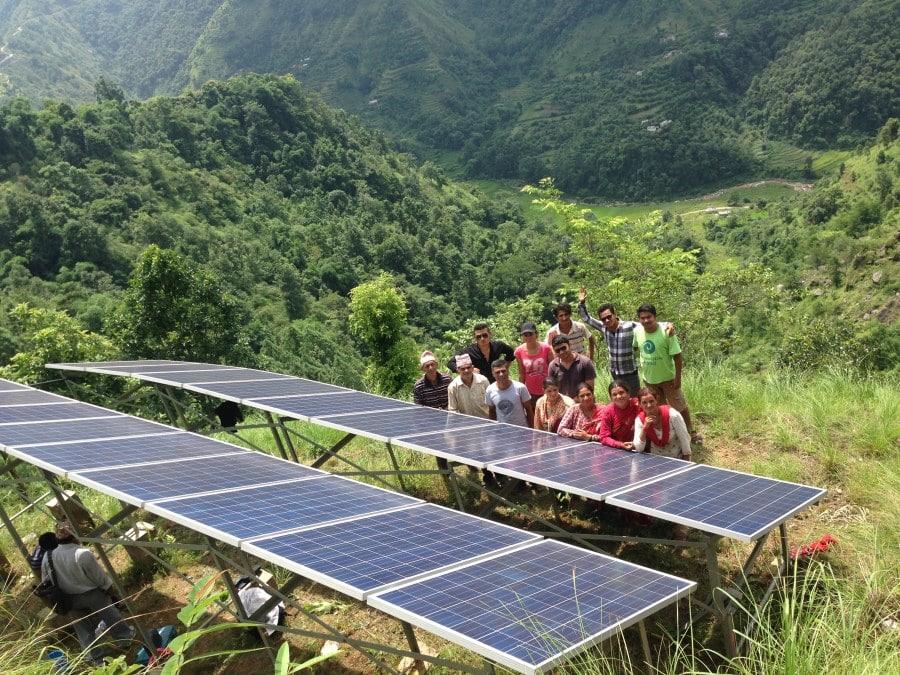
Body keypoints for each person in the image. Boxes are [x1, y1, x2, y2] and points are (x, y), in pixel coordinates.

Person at [41, 521, 134, 665]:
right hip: (93, 594)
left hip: (68, 600)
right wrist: (110, 590)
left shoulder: (48, 558)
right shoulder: (82, 554)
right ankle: (125, 638)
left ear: (57, 538)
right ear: (75, 537)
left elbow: (46, 581)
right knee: (111, 616)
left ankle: (96, 659)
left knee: (84, 630)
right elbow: (99, 577)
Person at [577, 286, 674, 396]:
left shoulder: (629, 326)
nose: (607, 320)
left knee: (635, 399)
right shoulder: (603, 327)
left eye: (609, 317)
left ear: (615, 315)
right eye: (603, 319)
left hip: (630, 372)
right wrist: (581, 302)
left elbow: (648, 323)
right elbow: (587, 318)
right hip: (615, 371)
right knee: (620, 398)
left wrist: (667, 324)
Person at [633, 304, 700, 443]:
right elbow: (636, 347)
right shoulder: (637, 331)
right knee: (661, 408)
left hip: (668, 378)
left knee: (679, 405)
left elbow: (678, 356)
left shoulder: (667, 332)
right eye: (642, 318)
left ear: (655, 317)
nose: (646, 321)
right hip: (649, 379)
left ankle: (691, 432)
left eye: (649, 317)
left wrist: (678, 378)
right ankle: (668, 432)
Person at [633, 387, 692, 460]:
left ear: (656, 400)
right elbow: (639, 448)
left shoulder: (673, 415)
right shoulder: (639, 420)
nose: (649, 405)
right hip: (656, 459)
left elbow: (685, 439)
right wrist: (645, 427)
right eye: (644, 402)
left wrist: (687, 461)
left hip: (677, 458)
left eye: (651, 401)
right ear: (639, 404)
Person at [447, 323, 515, 384]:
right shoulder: (469, 351)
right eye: (478, 337)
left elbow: (511, 352)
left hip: (498, 383)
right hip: (479, 385)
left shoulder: (498, 346)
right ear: (474, 337)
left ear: (490, 334)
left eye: (485, 335)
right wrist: (469, 371)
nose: (482, 339)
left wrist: (505, 367)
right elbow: (451, 363)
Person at [485, 359, 533, 427]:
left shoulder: (520, 388)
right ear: (493, 374)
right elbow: (492, 412)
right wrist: (492, 429)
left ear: (508, 371)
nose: (501, 374)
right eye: (497, 372)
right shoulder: (490, 390)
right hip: (502, 431)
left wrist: (532, 430)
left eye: (503, 371)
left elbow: (528, 409)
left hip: (522, 429)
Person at [548, 335, 596, 399]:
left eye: (563, 348)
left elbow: (589, 389)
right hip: (562, 404)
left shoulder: (585, 362)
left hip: (584, 402)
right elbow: (552, 389)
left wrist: (573, 402)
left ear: (569, 345)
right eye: (558, 350)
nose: (561, 352)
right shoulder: (553, 366)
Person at [514, 321, 554, 400]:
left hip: (547, 388)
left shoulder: (546, 348)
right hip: (530, 390)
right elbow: (521, 374)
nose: (528, 337)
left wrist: (554, 386)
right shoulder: (519, 351)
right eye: (525, 335)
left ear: (536, 334)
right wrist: (520, 391)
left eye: (530, 334)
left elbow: (552, 368)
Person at [598, 380, 640, 450]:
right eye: (614, 394)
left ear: (628, 393)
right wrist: (620, 445)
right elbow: (604, 437)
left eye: (621, 393)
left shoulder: (637, 405)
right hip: (618, 450)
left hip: (640, 447)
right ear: (611, 398)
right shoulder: (608, 411)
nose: (618, 396)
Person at [447, 353, 490, 418]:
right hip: (467, 424)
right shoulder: (453, 387)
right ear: (458, 370)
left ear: (472, 368)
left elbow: (491, 403)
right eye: (463, 369)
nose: (466, 371)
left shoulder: (483, 380)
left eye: (468, 367)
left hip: (487, 421)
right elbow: (453, 410)